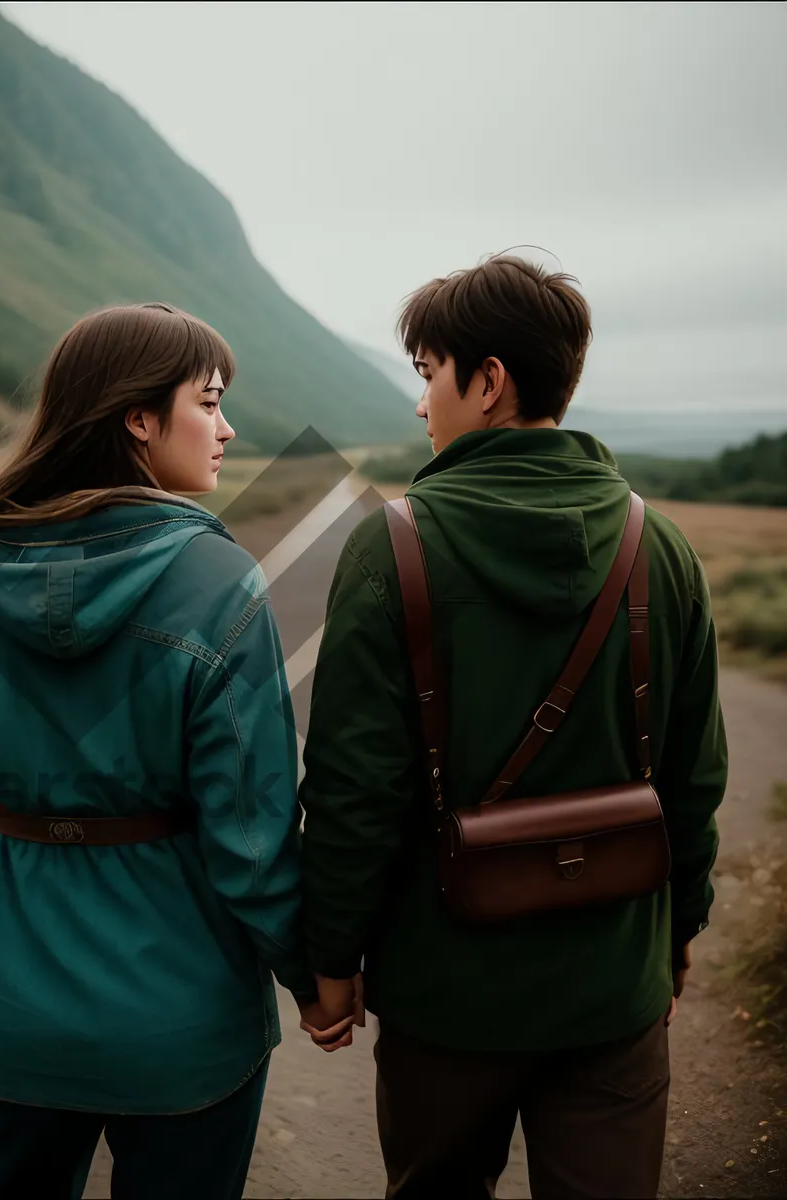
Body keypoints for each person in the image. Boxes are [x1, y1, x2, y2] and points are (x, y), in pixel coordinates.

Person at [0, 301, 353, 1200]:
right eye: (209, 401)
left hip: (5, 1000)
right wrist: (311, 974)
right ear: (138, 418)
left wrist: (8, 926)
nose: (228, 426)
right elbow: (250, 833)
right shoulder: (217, 580)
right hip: (181, 1019)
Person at [298, 253, 728, 1199]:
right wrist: (675, 926)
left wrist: (330, 959)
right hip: (615, 984)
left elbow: (352, 791)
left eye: (428, 373)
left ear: (488, 381)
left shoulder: (393, 544)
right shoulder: (659, 543)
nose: (421, 406)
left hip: (444, 997)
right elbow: (693, 779)